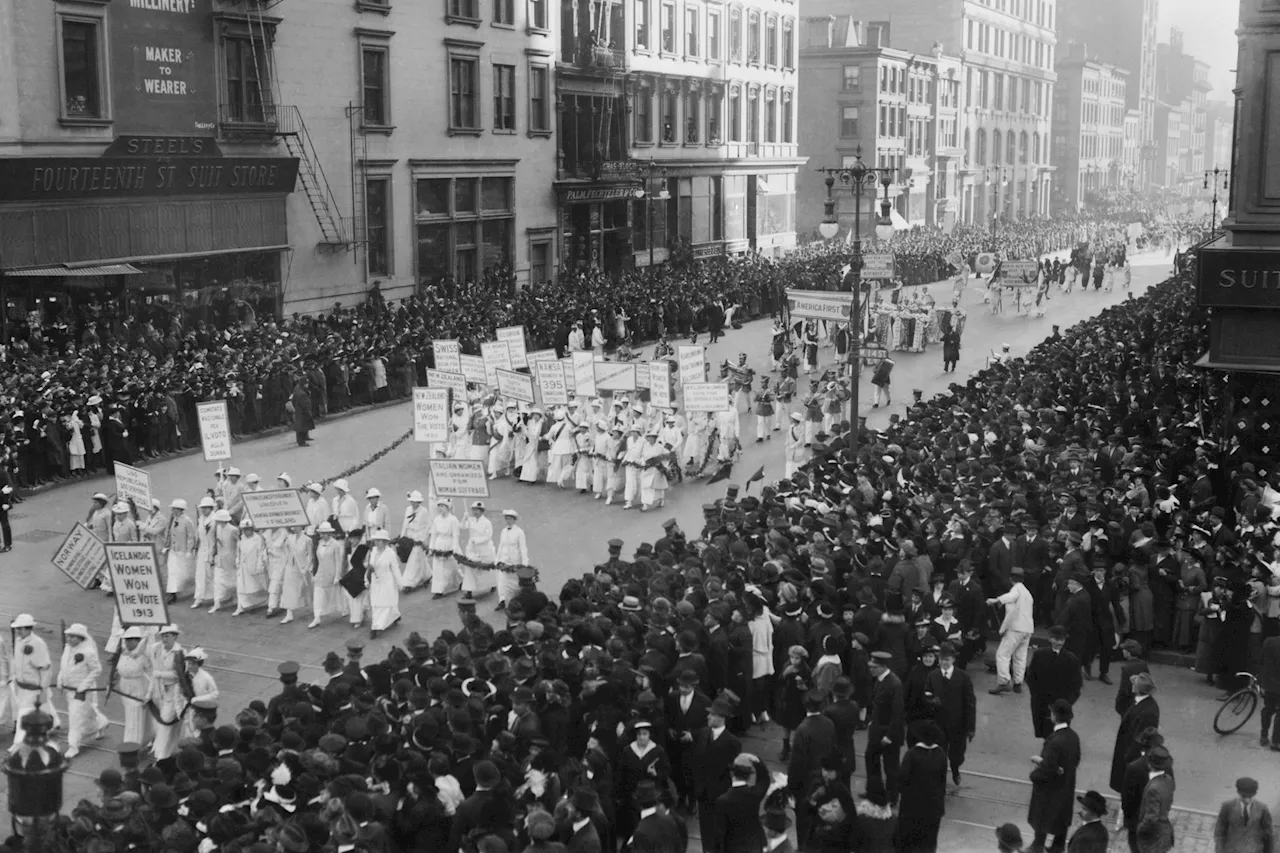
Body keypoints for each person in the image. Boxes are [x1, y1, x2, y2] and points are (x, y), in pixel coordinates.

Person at [1027, 699, 1082, 853]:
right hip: (1066, 786)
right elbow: (1076, 760)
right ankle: (1057, 848)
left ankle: (1037, 847)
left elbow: (1046, 768)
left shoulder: (1055, 740)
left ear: (1055, 716)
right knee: (1060, 821)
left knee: (1042, 819)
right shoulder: (1073, 737)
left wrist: (1034, 775)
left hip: (1049, 790)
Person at [927, 641, 976, 789]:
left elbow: (970, 704)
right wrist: (931, 701)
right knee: (939, 752)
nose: (944, 663)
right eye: (941, 659)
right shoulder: (933, 675)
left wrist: (971, 727)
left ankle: (955, 769)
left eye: (947, 660)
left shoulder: (963, 677)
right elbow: (926, 694)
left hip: (957, 724)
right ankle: (940, 777)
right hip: (939, 723)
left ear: (953, 660)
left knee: (957, 753)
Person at [57, 622, 108, 758]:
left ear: (81, 638)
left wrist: (84, 685)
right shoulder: (67, 649)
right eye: (69, 636)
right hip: (69, 690)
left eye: (74, 637)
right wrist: (60, 679)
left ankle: (73, 746)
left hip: (82, 692)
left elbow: (96, 670)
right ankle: (101, 723)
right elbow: (63, 666)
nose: (70, 639)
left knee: (75, 718)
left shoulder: (89, 652)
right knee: (86, 716)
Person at [895, 721, 948, 853]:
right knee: (928, 844)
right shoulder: (941, 754)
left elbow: (902, 780)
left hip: (912, 808)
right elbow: (942, 781)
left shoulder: (912, 754)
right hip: (933, 808)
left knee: (908, 843)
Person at [1025, 626, 1083, 739]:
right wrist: (1036, 696)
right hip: (1041, 702)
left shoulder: (1072, 660)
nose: (1059, 643)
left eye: (1062, 640)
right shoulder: (1039, 655)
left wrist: (1067, 703)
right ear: (1050, 639)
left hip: (1061, 704)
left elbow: (1076, 686)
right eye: (1057, 639)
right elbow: (1031, 678)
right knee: (1044, 731)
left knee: (1059, 733)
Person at [1109, 673, 1159, 797]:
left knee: (1129, 791)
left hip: (1131, 758)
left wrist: (1128, 758)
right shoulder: (1141, 703)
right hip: (1127, 753)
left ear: (1136, 688)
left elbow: (1140, 740)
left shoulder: (1148, 711)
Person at [865, 650, 905, 806]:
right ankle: (874, 791)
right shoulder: (880, 680)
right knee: (871, 760)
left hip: (889, 734)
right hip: (877, 730)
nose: (871, 669)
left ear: (882, 667)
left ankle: (892, 796)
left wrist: (890, 735)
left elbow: (898, 713)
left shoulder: (894, 684)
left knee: (891, 766)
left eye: (874, 667)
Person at [988, 565, 1035, 695]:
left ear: (1010, 579)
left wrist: (996, 600)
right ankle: (1018, 683)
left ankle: (1004, 681)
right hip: (1028, 628)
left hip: (1015, 628)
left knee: (1003, 654)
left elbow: (1011, 597)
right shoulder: (1028, 593)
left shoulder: (1016, 590)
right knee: (1020, 656)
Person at [10, 613, 54, 741]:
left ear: (28, 629)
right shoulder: (19, 641)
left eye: (19, 629)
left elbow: (45, 668)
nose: (17, 631)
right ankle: (53, 724)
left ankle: (18, 744)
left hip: (33, 687)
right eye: (16, 629)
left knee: (24, 714)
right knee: (43, 707)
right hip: (20, 685)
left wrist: (43, 689)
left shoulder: (37, 644)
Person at [115, 625, 154, 747]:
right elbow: (118, 670)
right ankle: (148, 737)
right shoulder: (123, 652)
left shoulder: (144, 655)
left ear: (137, 640)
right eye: (126, 640)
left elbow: (152, 674)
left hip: (138, 687)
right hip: (125, 688)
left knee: (134, 717)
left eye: (130, 640)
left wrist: (149, 693)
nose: (127, 642)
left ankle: (132, 744)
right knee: (132, 716)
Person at [1213, 777, 1273, 853]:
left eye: (1250, 797)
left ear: (1254, 794)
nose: (1247, 800)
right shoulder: (1227, 806)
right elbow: (1220, 831)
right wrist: (1219, 850)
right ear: (1238, 793)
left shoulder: (1262, 809)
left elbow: (1268, 834)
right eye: (1244, 797)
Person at [1135, 746, 1176, 853]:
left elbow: (1151, 817)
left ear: (1150, 764)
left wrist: (1140, 828)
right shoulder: (1168, 779)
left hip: (1153, 836)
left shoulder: (1153, 788)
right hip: (1165, 830)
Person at [365, 528, 405, 638]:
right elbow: (370, 566)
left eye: (379, 540)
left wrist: (400, 584)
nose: (377, 543)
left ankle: (376, 626)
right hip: (375, 582)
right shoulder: (373, 551)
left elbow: (395, 569)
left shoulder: (390, 553)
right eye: (376, 540)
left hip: (387, 581)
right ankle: (394, 616)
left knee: (384, 604)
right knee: (376, 604)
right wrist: (367, 578)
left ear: (385, 541)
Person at [233, 518, 269, 615]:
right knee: (240, 587)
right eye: (244, 529)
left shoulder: (258, 539)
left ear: (252, 529)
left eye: (248, 529)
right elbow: (238, 552)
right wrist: (237, 562)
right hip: (243, 567)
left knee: (257, 587)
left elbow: (261, 553)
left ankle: (264, 601)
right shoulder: (242, 538)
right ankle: (240, 606)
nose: (246, 531)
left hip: (253, 566)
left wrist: (259, 566)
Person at [460, 501, 495, 599]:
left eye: (477, 510)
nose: (475, 512)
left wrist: (477, 541)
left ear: (482, 511)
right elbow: (462, 526)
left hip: (484, 548)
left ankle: (493, 584)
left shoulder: (487, 522)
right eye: (474, 510)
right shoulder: (471, 520)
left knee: (486, 569)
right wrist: (464, 517)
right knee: (470, 568)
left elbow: (488, 536)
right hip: (472, 549)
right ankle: (469, 591)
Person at [495, 509, 529, 610]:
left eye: (510, 519)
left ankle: (515, 602)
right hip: (504, 560)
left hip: (515, 561)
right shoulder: (503, 531)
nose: (508, 521)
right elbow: (501, 546)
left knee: (514, 582)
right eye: (507, 519)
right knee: (502, 582)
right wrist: (497, 559)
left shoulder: (519, 532)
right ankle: (502, 601)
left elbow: (523, 548)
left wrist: (524, 564)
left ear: (514, 520)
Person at [165, 498, 198, 604]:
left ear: (179, 509)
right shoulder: (174, 519)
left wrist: (189, 550)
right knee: (172, 573)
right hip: (173, 551)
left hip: (182, 551)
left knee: (183, 574)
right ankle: (172, 594)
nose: (172, 510)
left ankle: (183, 589)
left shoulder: (187, 521)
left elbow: (191, 537)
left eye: (174, 508)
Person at [428, 498, 461, 599]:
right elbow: (433, 534)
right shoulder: (437, 519)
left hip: (449, 544)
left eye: (442, 506)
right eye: (439, 506)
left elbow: (456, 535)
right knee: (438, 569)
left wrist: (455, 548)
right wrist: (431, 548)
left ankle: (460, 580)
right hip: (439, 544)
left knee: (452, 566)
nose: (440, 508)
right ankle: (438, 590)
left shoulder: (453, 520)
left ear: (448, 507)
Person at [291, 374, 314, 446]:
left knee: (303, 425)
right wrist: (308, 412)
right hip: (302, 411)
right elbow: (304, 405)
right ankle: (301, 441)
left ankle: (304, 438)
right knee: (302, 426)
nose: (308, 385)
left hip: (299, 410)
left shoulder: (300, 389)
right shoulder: (301, 393)